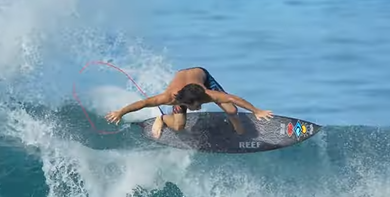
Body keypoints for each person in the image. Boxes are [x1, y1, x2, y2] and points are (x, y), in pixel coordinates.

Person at [104, 67, 273, 138]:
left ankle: (238, 130)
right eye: (196, 106)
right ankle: (162, 119)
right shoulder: (169, 98)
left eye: (200, 104)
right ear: (185, 103)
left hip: (201, 75)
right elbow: (143, 103)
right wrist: (120, 112)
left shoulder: (206, 93)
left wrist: (256, 111)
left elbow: (232, 98)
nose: (199, 108)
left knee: (231, 110)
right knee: (178, 126)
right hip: (182, 85)